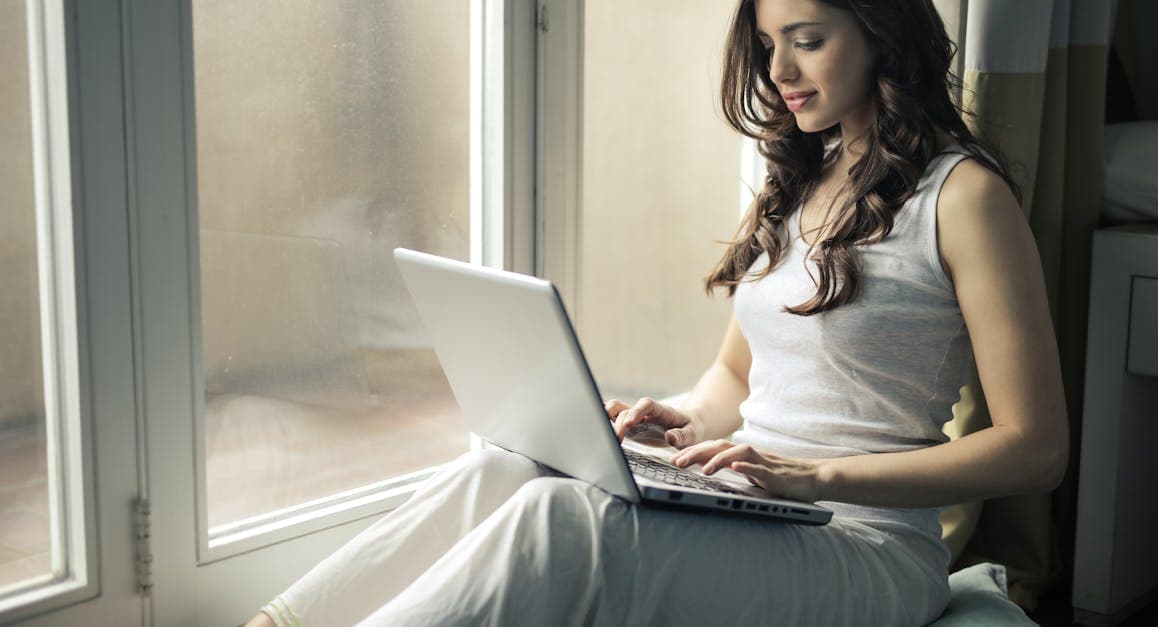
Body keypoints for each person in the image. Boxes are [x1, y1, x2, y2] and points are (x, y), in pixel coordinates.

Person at [246, 0, 1068, 624]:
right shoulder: (799, 187)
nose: (779, 70)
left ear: (883, 33)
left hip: (870, 544)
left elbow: (1036, 450)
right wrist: (677, 421)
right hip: (763, 502)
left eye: (807, 40)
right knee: (503, 466)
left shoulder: (965, 199)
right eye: (768, 43)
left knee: (561, 519)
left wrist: (816, 474)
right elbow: (735, 376)